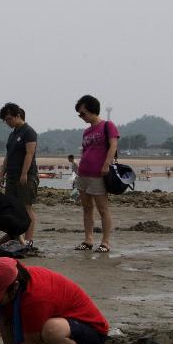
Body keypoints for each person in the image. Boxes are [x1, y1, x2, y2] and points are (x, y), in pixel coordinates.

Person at [73, 95, 119, 253]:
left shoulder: (108, 126)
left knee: (103, 209)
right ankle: (88, 239)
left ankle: (105, 242)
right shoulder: (86, 132)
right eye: (79, 114)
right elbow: (86, 151)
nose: (81, 117)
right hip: (83, 173)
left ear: (92, 110)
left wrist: (106, 165)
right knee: (86, 208)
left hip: (99, 175)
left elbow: (113, 146)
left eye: (83, 113)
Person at [0, 103, 39, 250]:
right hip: (11, 176)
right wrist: (2, 174)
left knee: (26, 207)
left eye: (9, 119)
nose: (8, 122)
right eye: (5, 120)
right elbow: (8, 156)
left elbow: (29, 154)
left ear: (18, 115)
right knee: (12, 208)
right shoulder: (12, 134)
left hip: (26, 175)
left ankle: (28, 240)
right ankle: (16, 239)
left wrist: (24, 174)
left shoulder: (29, 132)